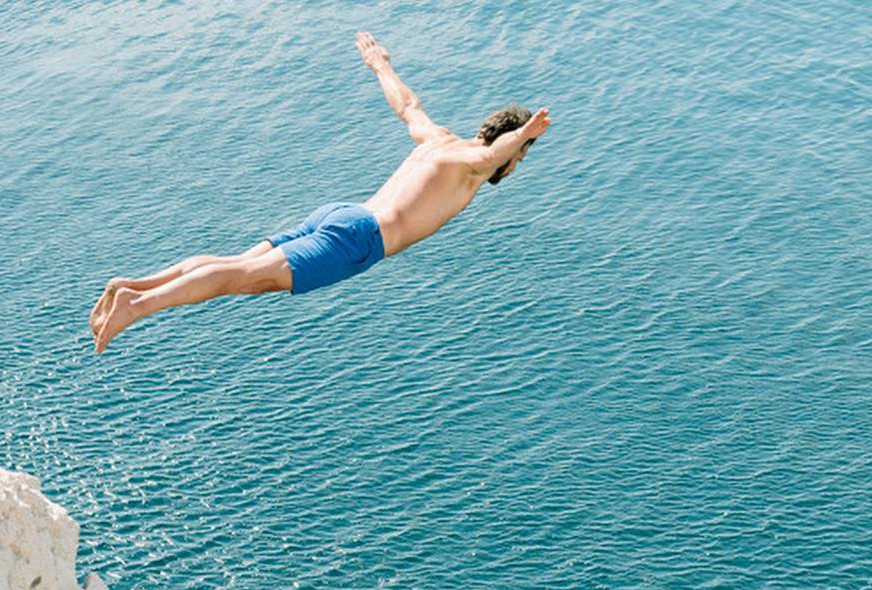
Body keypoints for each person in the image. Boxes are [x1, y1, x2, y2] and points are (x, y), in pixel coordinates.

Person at [90, 33, 551, 351]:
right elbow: (492, 157)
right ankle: (139, 305)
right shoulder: (470, 166)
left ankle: (134, 285)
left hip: (342, 215)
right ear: (509, 146)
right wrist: (525, 131)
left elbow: (408, 105)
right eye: (523, 156)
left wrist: (381, 65)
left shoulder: (438, 140)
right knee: (240, 278)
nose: (517, 165)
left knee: (237, 267)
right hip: (359, 239)